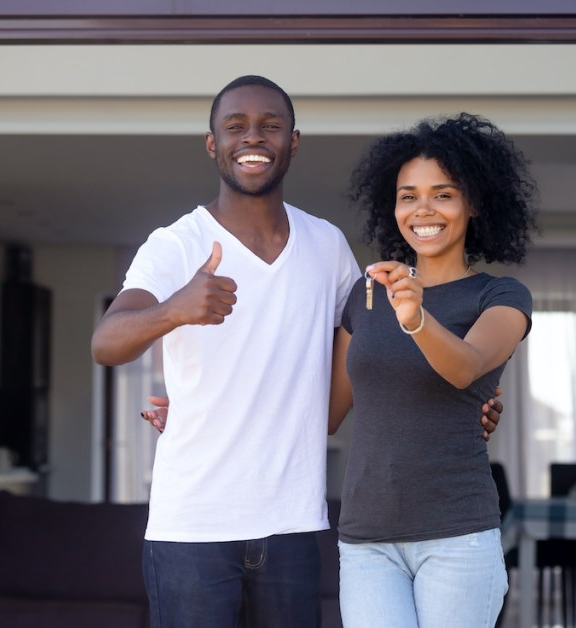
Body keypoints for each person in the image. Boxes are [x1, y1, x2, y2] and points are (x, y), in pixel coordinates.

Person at [92, 75, 503, 628]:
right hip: (192, 525)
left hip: (292, 522)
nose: (253, 138)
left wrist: (463, 403)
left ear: (294, 141)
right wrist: (176, 308)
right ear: (213, 144)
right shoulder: (176, 244)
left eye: (270, 126)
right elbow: (106, 343)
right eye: (235, 127)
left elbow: (375, 350)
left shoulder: (327, 245)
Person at [329, 113, 536, 628]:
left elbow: (465, 368)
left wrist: (416, 317)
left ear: (474, 203)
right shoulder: (366, 294)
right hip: (366, 539)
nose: (423, 209)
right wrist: (207, 413)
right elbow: (322, 414)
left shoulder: (501, 295)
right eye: (408, 195)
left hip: (458, 536)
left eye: (443, 194)